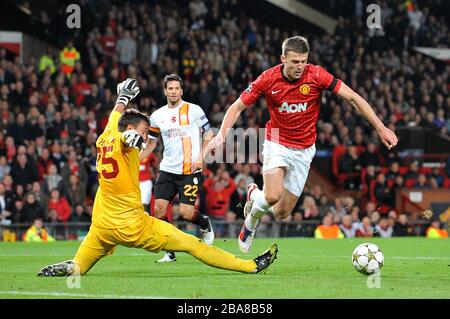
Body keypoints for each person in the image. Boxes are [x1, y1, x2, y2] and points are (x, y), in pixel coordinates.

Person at [37, 78, 277, 277]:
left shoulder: (106, 134)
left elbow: (116, 114)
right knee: (192, 245)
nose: (145, 136)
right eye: (143, 131)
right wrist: (133, 138)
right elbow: (127, 138)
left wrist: (122, 98)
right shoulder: (126, 140)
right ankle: (251, 266)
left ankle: (70, 267)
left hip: (101, 226)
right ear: (131, 130)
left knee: (80, 266)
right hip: (133, 226)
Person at [208, 36, 398, 253]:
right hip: (276, 141)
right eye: (294, 62)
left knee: (281, 212)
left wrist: (380, 127)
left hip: (305, 149)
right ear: (283, 59)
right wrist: (222, 134)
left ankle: (253, 194)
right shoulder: (267, 78)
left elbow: (353, 98)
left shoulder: (317, 75)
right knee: (272, 195)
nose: (300, 67)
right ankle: (250, 224)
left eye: (303, 61)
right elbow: (237, 107)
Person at [139, 74, 215, 263]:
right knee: (158, 211)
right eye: (170, 88)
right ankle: (170, 251)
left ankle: (204, 223)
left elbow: (209, 135)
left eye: (176, 88)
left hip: (189, 170)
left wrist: (201, 156)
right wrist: (136, 158)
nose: (173, 91)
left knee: (186, 213)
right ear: (165, 91)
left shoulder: (194, 110)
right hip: (167, 170)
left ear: (181, 90)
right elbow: (151, 143)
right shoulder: (157, 116)